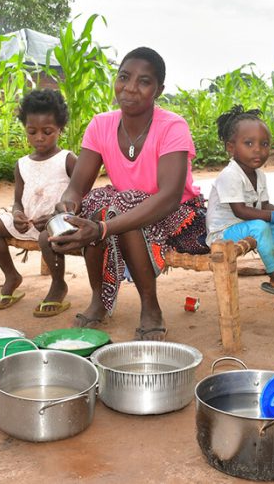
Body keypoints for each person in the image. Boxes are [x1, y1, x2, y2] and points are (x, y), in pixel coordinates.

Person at [41, 47, 207, 341]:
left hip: (176, 213)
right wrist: (67, 207)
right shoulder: (101, 125)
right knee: (98, 205)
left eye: (144, 81)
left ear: (159, 89)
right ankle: (99, 299)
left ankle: (150, 306)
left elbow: (168, 196)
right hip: (123, 206)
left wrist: (102, 228)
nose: (130, 88)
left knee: (116, 213)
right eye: (124, 77)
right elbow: (78, 187)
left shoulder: (173, 127)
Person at [0, 89, 76, 316]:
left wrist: (60, 215)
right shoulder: (22, 164)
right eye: (32, 132)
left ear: (60, 129)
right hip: (28, 223)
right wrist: (17, 214)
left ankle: (58, 285)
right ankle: (11, 276)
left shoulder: (67, 159)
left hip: (57, 225)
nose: (39, 138)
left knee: (48, 236)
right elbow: (17, 201)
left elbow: (80, 197)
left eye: (47, 132)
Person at [206, 105, 274, 300]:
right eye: (249, 143)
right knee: (262, 225)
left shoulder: (259, 174)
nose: (258, 150)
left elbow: (264, 206)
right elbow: (240, 211)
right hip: (223, 233)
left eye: (265, 144)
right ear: (231, 147)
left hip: (245, 225)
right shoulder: (230, 175)